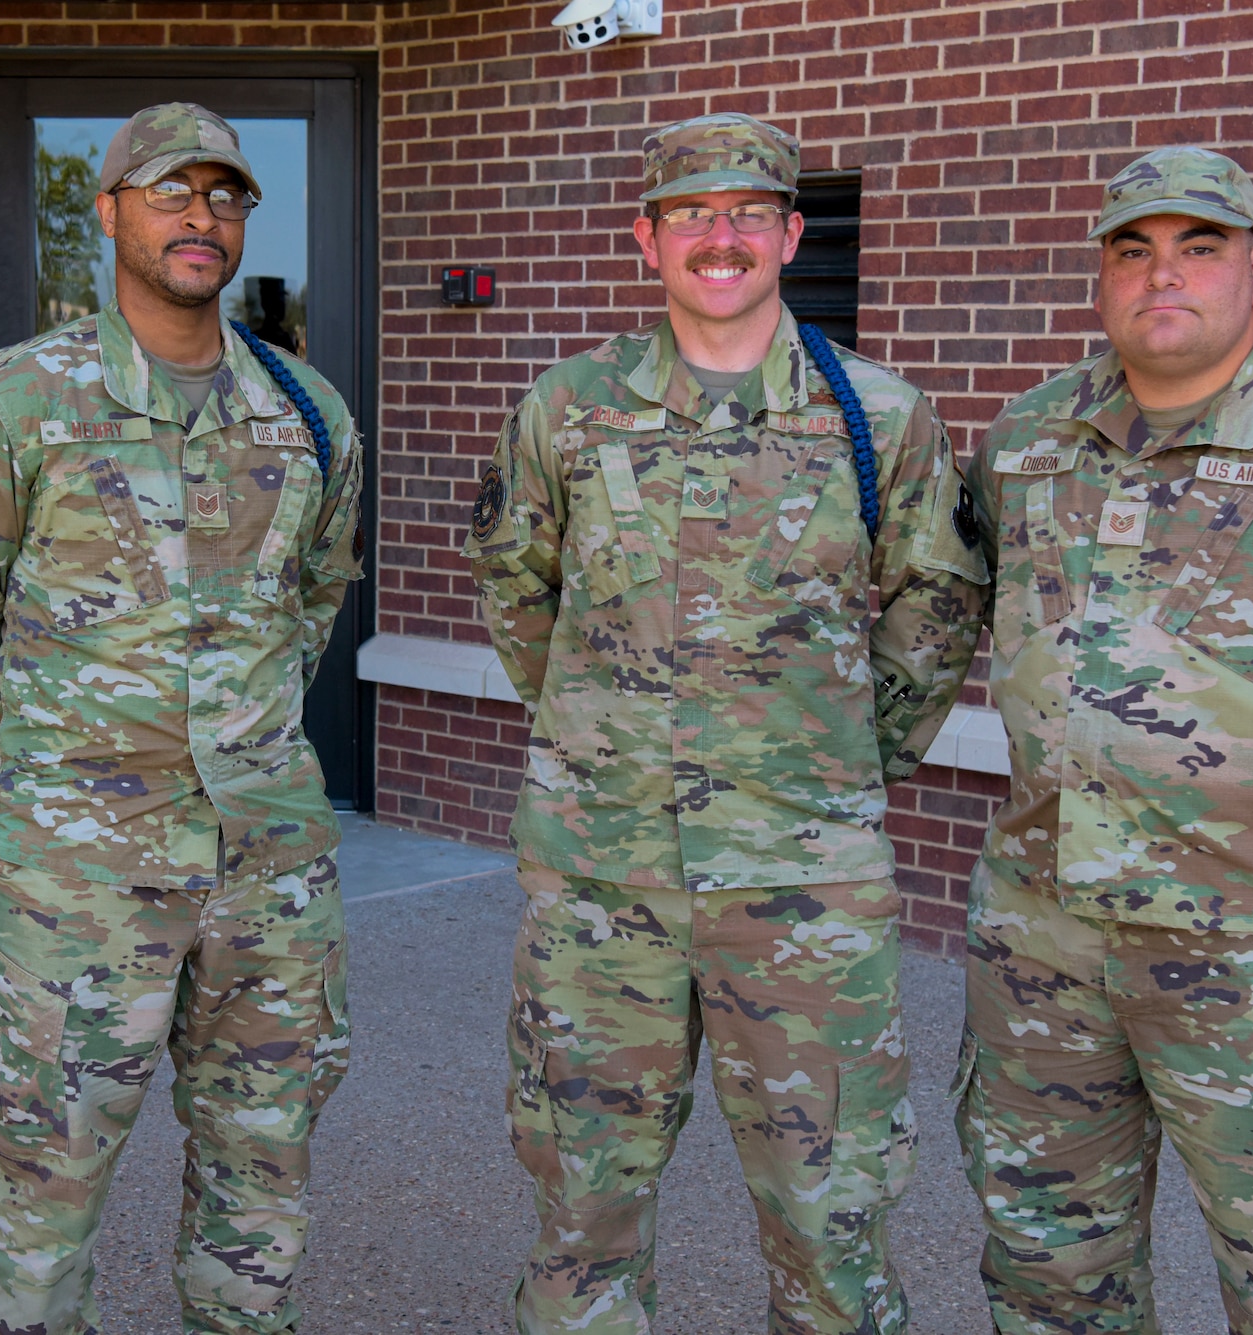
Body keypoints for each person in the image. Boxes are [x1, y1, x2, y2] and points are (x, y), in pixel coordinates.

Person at [464, 112, 989, 1334]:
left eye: (748, 211)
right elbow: (515, 592)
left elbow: (936, 605)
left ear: (791, 234)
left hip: (801, 885)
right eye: (689, 213)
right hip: (603, 877)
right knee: (582, 1204)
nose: (720, 236)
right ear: (644, 238)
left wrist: (846, 762)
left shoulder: (877, 416)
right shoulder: (567, 410)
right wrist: (604, 739)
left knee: (830, 1210)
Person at [0, 103, 362, 1334]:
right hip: (76, 871)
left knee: (261, 1174)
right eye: (168, 191)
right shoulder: (13, 403)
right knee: (48, 1178)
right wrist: (15, 782)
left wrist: (241, 745)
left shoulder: (307, 415)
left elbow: (308, 608)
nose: (199, 217)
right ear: (108, 214)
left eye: (225, 195)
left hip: (265, 867)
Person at [956, 146, 1253, 1334]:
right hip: (1045, 947)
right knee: (1045, 1277)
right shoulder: (1030, 437)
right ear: (1099, 276)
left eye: (1198, 246)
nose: (1159, 275)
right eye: (1130, 249)